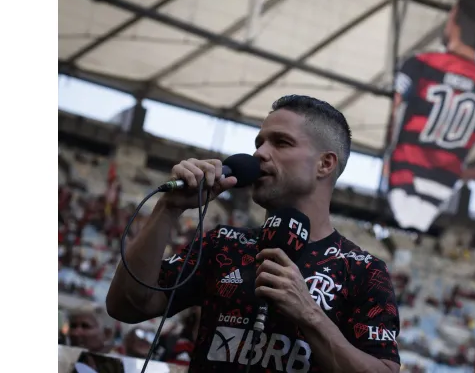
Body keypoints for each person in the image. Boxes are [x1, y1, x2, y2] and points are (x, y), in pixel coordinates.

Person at [106, 95, 401, 373]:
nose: (259, 153)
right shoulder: (222, 243)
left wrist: (309, 314)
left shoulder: (362, 270)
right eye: (259, 142)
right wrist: (167, 209)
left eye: (281, 143)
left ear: (325, 164)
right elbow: (126, 306)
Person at [382, 0, 475, 232]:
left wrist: (387, 156)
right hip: (441, 188)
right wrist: (463, 174)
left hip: (403, 175)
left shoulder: (421, 63)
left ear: (453, 20)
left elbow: (391, 109)